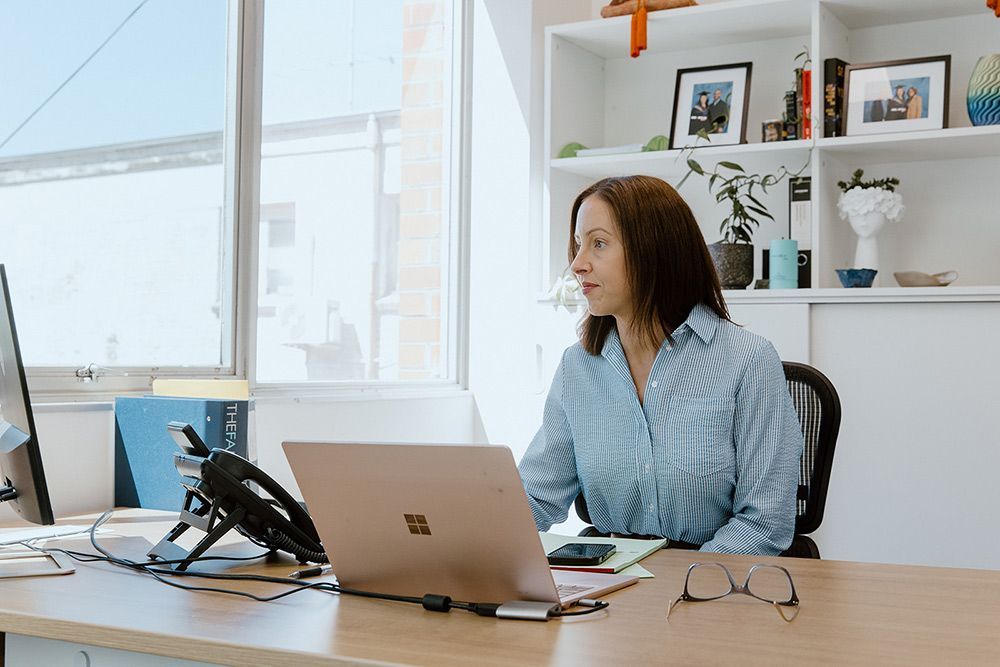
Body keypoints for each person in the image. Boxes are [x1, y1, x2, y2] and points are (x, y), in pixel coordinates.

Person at [518, 175, 803, 555]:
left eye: (598, 244)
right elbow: (536, 497)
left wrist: (685, 588)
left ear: (653, 251)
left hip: (711, 589)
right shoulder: (577, 367)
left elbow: (764, 522)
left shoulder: (747, 361)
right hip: (610, 584)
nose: (577, 264)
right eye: (577, 246)